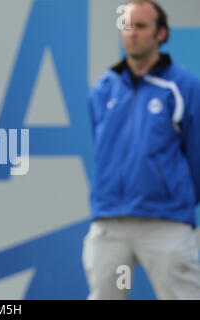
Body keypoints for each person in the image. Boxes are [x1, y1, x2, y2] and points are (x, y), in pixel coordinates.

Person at [83, 0, 200, 300]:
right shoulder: (104, 89)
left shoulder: (184, 87)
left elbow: (196, 154)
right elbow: (104, 152)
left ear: (161, 34)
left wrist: (177, 200)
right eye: (126, 26)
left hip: (166, 223)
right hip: (110, 222)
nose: (131, 33)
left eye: (142, 26)